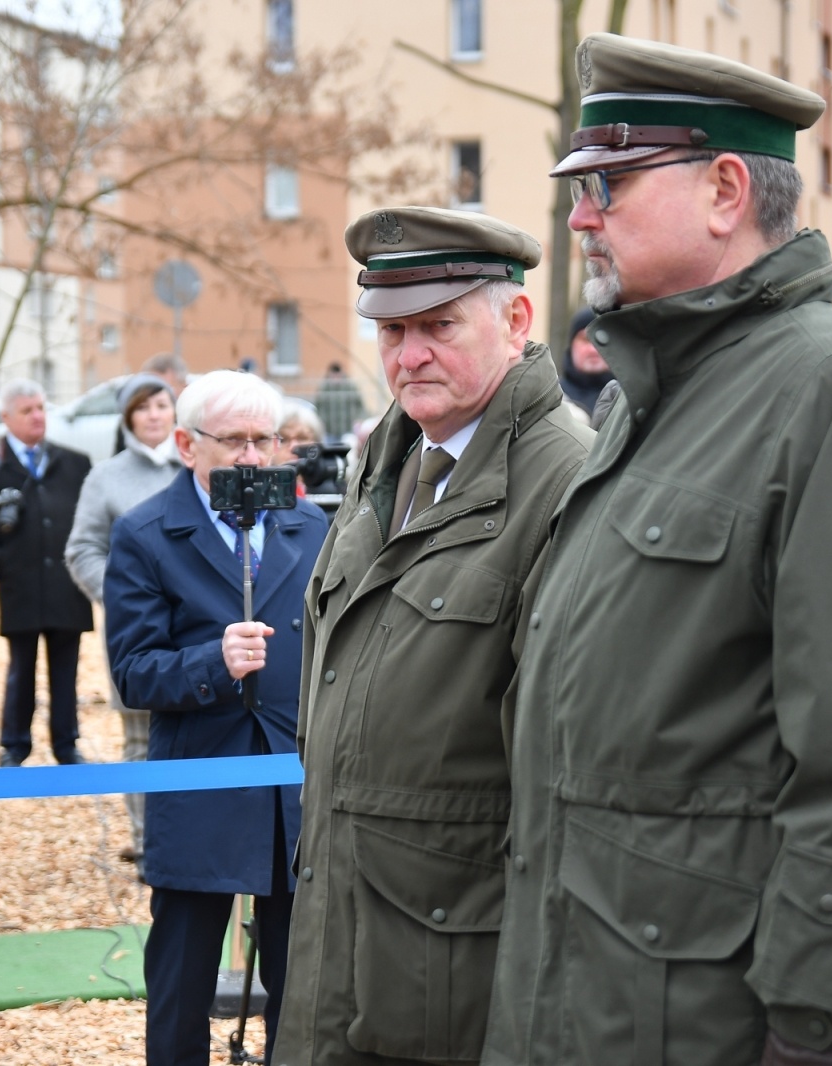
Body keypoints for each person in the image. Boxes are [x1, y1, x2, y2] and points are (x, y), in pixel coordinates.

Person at [481, 35, 832, 1066]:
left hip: (719, 1026)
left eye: (609, 183)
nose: (580, 217)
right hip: (602, 1006)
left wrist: (811, 1031)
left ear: (722, 191)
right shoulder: (650, 398)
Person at [274, 207, 593, 1066]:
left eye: (439, 325)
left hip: (452, 977)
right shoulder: (393, 457)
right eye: (391, 329)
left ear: (516, 320)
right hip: (345, 939)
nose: (407, 354)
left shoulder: (567, 480)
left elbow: (569, 777)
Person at [104, 370, 328, 1066]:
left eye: (267, 439)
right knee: (182, 974)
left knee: (303, 973)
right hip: (199, 774)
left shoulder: (311, 523)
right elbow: (133, 672)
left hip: (294, 782)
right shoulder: (146, 534)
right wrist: (211, 662)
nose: (254, 457)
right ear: (185, 444)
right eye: (234, 441)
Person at [64, 374, 182, 870]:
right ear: (128, 417)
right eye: (143, 407)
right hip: (137, 631)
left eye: (162, 405)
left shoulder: (196, 468)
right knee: (139, 740)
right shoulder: (105, 477)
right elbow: (81, 549)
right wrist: (121, 596)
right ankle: (147, 839)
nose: (154, 415)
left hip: (200, 629)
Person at [0, 379, 94, 768]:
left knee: (66, 668)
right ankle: (15, 743)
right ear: (6, 417)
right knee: (21, 668)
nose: (37, 416)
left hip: (68, 586)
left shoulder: (75, 462)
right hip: (20, 585)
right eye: (27, 410)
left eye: (41, 408)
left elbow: (89, 522)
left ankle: (66, 743)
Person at [558, 305, 613, 414]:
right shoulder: (552, 397)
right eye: (585, 339)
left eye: (601, 339)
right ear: (571, 345)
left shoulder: (629, 398)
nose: (593, 349)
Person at [313, 362, 365, 440]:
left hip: (347, 429)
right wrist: (320, 422)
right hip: (329, 431)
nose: (335, 377)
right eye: (333, 374)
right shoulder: (324, 388)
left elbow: (360, 405)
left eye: (337, 374)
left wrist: (359, 419)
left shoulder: (350, 386)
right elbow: (318, 407)